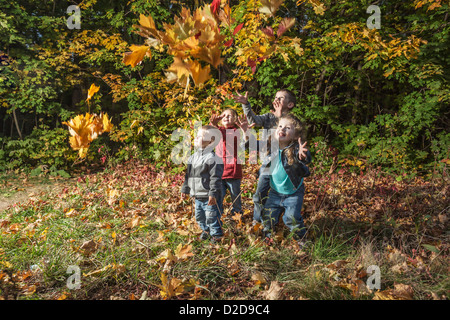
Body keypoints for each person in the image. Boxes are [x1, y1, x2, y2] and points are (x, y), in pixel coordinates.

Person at [233, 89, 297, 224]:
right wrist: (246, 105)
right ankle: (257, 220)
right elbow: (253, 120)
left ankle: (281, 219)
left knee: (282, 194)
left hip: (284, 164)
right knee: (259, 195)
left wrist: (279, 116)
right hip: (268, 163)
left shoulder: (292, 121)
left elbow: (281, 135)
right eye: (276, 97)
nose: (277, 100)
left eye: (281, 98)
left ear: (290, 104)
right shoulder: (268, 117)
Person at [261, 114, 312, 248]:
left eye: (288, 128)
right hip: (275, 192)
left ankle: (301, 239)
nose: (282, 129)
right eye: (280, 126)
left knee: (291, 218)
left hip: (293, 193)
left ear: (295, 136)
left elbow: (305, 159)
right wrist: (245, 133)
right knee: (268, 216)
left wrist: (302, 156)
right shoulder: (271, 147)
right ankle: (267, 238)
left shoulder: (295, 150)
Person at [181, 125, 224, 243]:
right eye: (196, 135)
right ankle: (206, 231)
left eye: (200, 136)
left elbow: (216, 178)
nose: (196, 137)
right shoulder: (192, 158)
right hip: (197, 195)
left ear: (210, 141)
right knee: (200, 217)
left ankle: (217, 235)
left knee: (212, 216)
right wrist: (185, 189)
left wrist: (213, 194)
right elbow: (188, 176)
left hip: (209, 195)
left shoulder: (213, 158)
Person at [209, 108, 246, 217]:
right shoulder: (218, 130)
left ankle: (237, 214)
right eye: (224, 115)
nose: (226, 117)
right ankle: (218, 214)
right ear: (220, 119)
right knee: (219, 195)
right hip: (219, 171)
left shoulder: (236, 131)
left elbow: (228, 137)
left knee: (235, 195)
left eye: (230, 115)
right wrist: (213, 125)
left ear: (235, 120)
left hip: (233, 171)